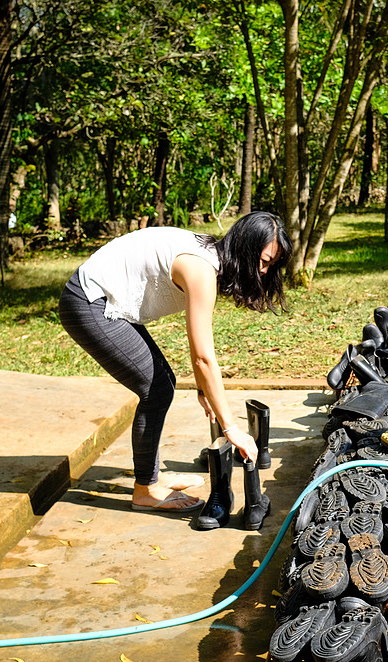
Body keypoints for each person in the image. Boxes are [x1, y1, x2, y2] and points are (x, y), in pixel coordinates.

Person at [58, 212, 291, 513]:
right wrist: (230, 426)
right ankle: (146, 491)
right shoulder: (201, 270)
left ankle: (151, 478)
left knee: (161, 385)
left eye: (271, 265)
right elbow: (203, 357)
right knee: (156, 390)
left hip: (104, 297)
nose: (263, 271)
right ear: (245, 249)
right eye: (263, 261)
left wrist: (204, 389)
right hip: (88, 302)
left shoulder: (209, 256)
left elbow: (200, 349)